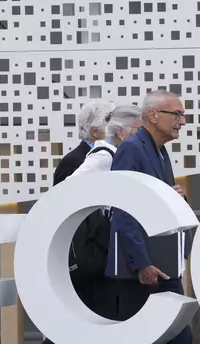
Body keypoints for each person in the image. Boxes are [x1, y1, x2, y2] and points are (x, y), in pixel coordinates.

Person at [41, 105, 142, 344]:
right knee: (82, 318)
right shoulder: (81, 160)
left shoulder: (109, 155)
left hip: (99, 253)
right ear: (97, 130)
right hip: (87, 254)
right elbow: (64, 202)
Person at [105, 90, 192, 343]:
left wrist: (174, 197)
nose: (182, 121)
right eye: (177, 114)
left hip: (163, 264)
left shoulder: (160, 150)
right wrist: (141, 263)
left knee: (177, 334)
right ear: (153, 115)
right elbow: (123, 209)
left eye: (183, 115)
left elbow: (152, 204)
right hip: (142, 271)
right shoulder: (132, 149)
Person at [52, 100, 114, 185]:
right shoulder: (71, 162)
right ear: (95, 132)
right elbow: (59, 194)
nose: (116, 131)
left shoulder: (110, 154)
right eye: (111, 127)